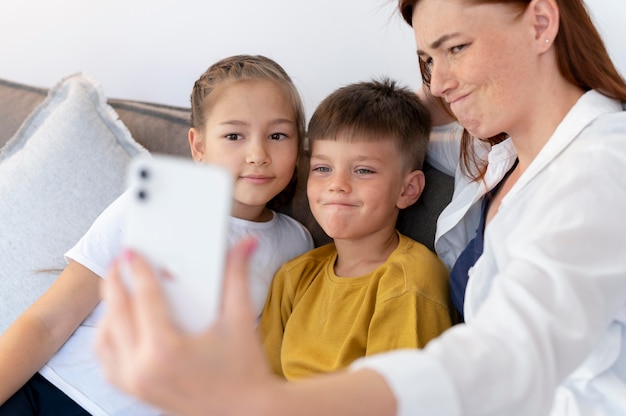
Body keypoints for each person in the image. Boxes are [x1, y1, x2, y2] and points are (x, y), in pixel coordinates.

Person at [95, 0, 626, 415]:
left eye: (456, 48)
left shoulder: (602, 166)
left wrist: (269, 404)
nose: (437, 83)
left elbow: (512, 355)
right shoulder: (498, 151)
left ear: (539, 23)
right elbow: (380, 143)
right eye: (426, 61)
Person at [0, 54, 314, 415]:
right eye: (233, 135)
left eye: (277, 135)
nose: (258, 154)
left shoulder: (297, 244)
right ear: (198, 147)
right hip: (51, 392)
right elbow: (47, 323)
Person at [259, 78, 453, 380]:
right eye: (322, 168)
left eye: (363, 170)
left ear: (408, 189)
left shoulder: (409, 281)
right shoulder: (294, 277)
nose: (337, 185)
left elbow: (398, 400)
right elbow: (260, 387)